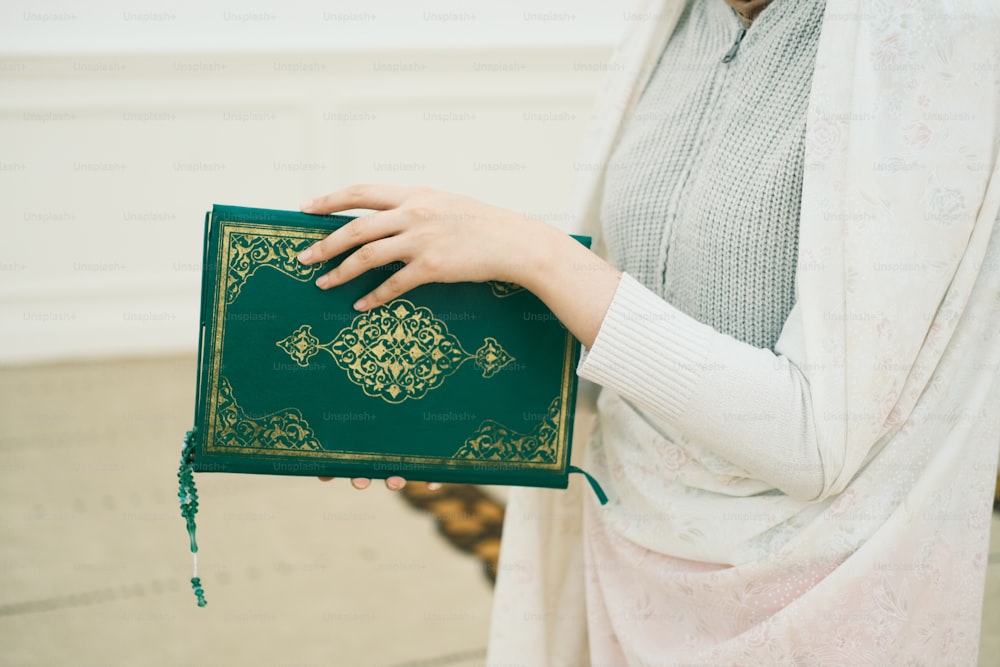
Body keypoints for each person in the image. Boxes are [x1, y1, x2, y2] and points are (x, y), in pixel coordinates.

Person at [302, 0, 1000, 663]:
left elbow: (814, 440)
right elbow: (634, 311)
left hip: (810, 605)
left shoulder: (930, 36)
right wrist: (435, 410)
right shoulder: (676, 20)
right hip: (623, 567)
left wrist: (537, 255)